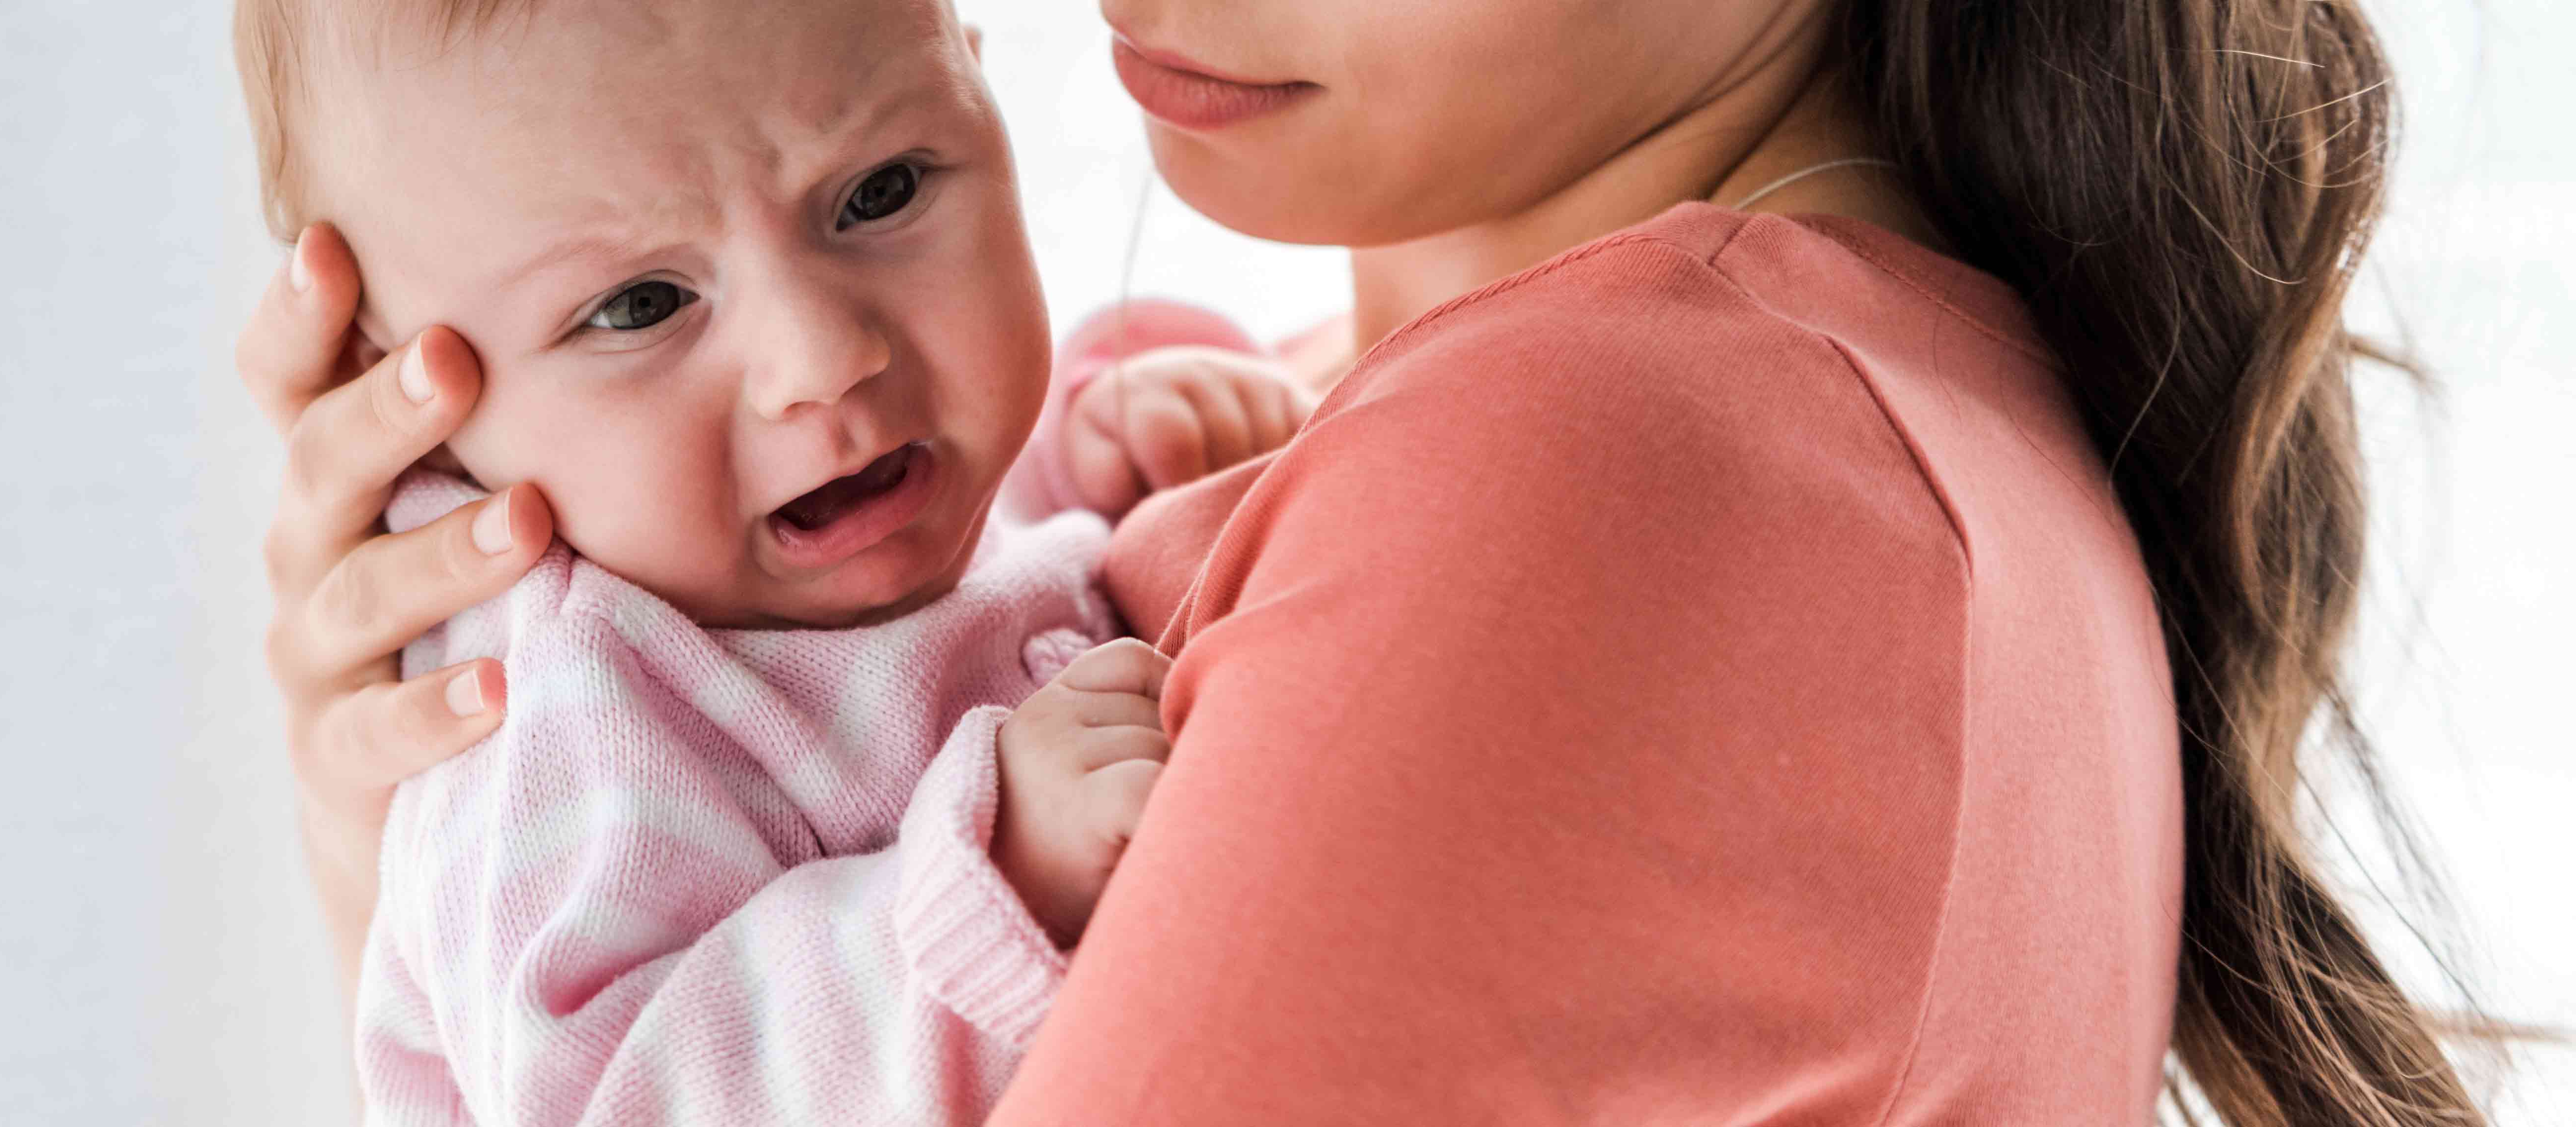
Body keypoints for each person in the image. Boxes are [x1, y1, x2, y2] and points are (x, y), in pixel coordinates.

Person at [235, 0, 2492, 1120]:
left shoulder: (1625, 472)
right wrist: (439, 832)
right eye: (626, 308)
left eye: (873, 197)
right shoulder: (1353, 426)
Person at [228, 0, 1310, 1120]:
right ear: (406, 394)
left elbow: (972, 614)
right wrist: (988, 874)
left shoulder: (808, 529)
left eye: (878, 193)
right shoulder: (561, 715)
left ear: (979, 97)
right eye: (640, 305)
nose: (824, 357)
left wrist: (1100, 457)